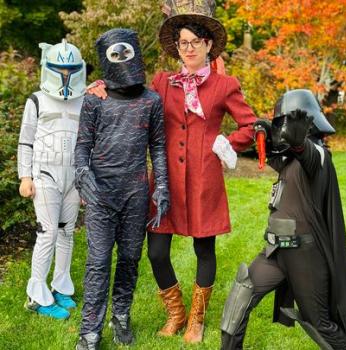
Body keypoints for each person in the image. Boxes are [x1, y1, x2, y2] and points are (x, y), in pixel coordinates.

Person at [88, 0, 257, 343]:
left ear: (208, 45)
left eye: (195, 41)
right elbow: (135, 97)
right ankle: (175, 312)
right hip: (164, 182)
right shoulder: (164, 81)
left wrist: (224, 143)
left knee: (203, 250)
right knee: (157, 252)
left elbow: (251, 126)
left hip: (203, 180)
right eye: (183, 42)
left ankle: (196, 319)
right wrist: (104, 88)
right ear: (176, 47)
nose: (189, 48)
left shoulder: (224, 85)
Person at [221, 89, 346, 350]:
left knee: (321, 325)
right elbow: (272, 148)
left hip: (306, 256)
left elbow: (308, 155)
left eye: (288, 123)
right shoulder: (288, 159)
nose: (285, 129)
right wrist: (265, 130)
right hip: (275, 252)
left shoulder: (318, 155)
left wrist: (299, 144)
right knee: (237, 304)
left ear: (306, 123)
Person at [74, 28, 169, 350]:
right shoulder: (94, 100)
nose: (122, 59)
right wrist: (83, 173)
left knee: (129, 258)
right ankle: (89, 332)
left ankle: (121, 316)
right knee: (98, 262)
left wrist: (162, 186)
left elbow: (157, 146)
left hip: (135, 193)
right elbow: (82, 145)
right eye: (115, 54)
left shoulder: (151, 101)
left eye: (125, 52)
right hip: (101, 193)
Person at [17, 39, 86, 319]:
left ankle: (61, 287)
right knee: (47, 234)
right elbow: (25, 141)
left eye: (71, 70)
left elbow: (88, 143)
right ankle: (36, 295)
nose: (66, 75)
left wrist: (85, 182)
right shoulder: (36, 99)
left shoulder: (85, 101)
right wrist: (25, 176)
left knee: (66, 233)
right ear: (50, 67)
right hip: (44, 175)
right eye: (61, 69)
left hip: (72, 177)